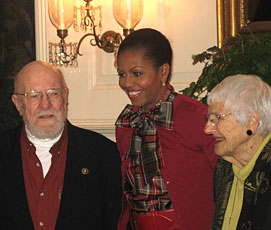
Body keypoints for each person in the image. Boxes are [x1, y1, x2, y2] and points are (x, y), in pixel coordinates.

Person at [115, 28, 218, 230]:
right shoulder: (127, 123)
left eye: (137, 73)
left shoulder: (198, 116)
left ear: (163, 71)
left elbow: (227, 182)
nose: (127, 83)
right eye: (121, 74)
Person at [0, 61, 122, 230]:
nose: (45, 104)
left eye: (53, 93)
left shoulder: (104, 155)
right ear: (18, 103)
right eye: (34, 95)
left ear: (65, 97)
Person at [204, 74, 271, 230]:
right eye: (208, 119)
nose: (207, 129)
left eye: (217, 118)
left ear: (251, 121)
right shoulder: (224, 169)